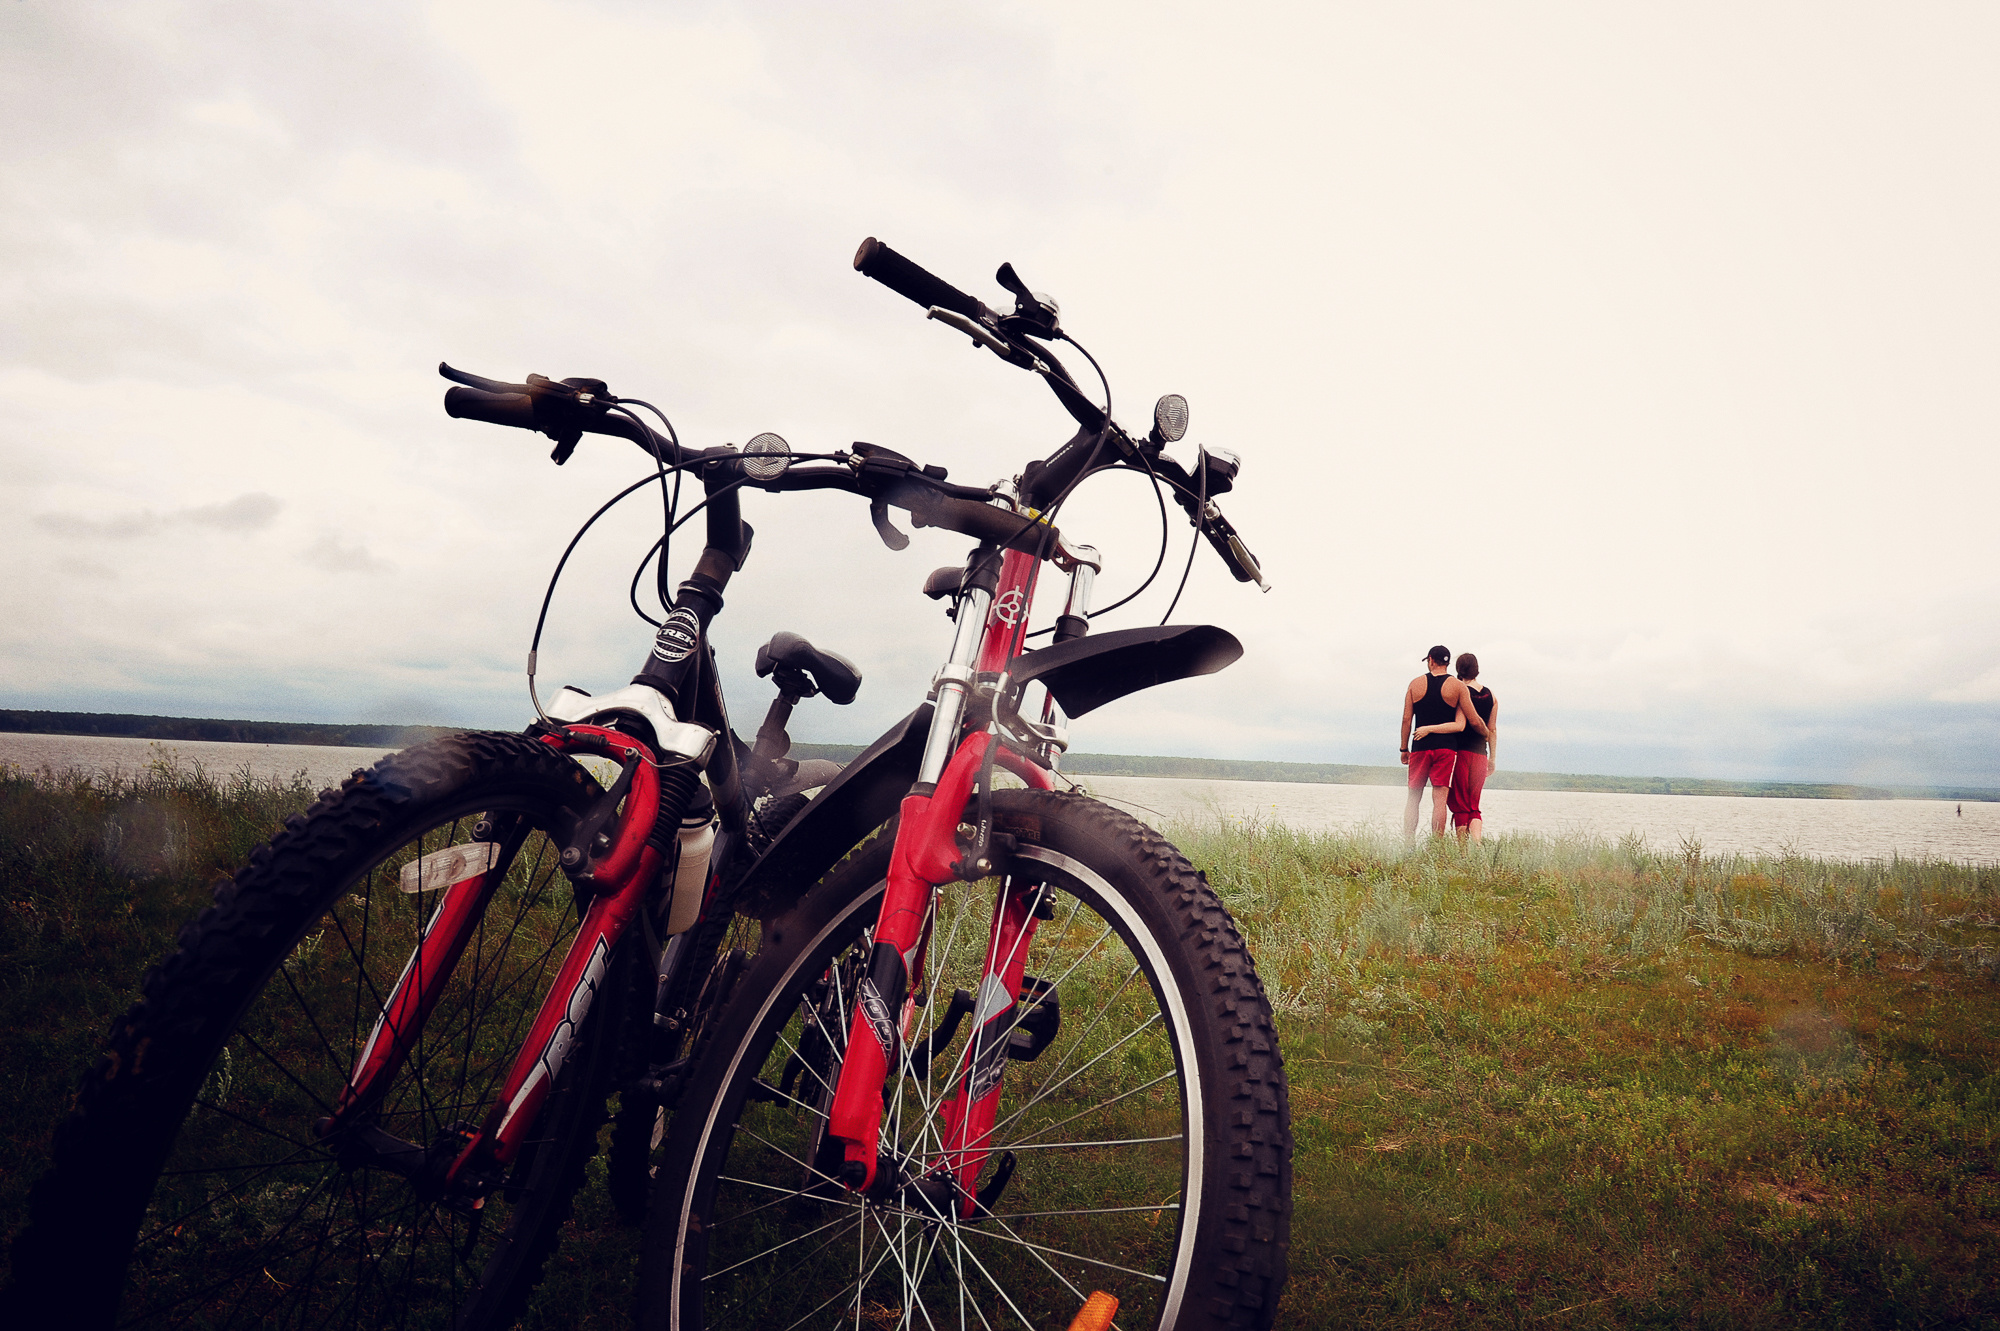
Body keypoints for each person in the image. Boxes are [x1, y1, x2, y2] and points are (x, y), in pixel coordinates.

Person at [1400, 645, 1489, 838]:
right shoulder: (1457, 687)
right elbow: (1472, 719)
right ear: (1448, 663)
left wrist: (1404, 748)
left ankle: (1408, 844)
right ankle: (1437, 848)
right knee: (1439, 801)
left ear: (1430, 660)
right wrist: (1486, 732)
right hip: (1446, 749)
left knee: (1413, 798)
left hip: (1420, 747)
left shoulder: (1415, 684)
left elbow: (1407, 719)